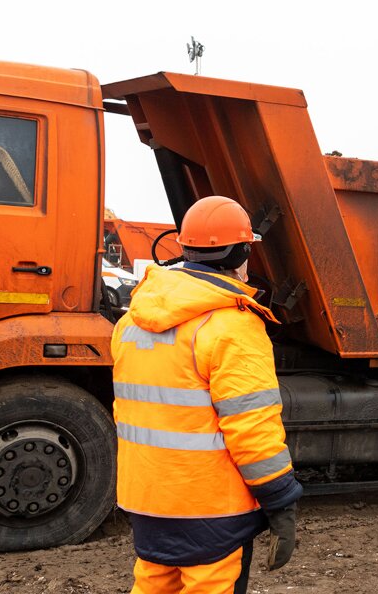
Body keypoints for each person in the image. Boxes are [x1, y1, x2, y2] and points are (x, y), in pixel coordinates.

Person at [111, 195, 302, 593]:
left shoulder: (132, 320)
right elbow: (252, 428)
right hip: (211, 508)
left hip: (147, 498)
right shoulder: (232, 327)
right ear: (240, 251)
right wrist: (281, 499)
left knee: (153, 584)